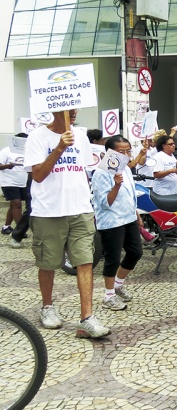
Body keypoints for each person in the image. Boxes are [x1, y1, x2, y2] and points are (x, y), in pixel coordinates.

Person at [24, 108, 110, 338]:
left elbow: (82, 171)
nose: (73, 112)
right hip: (48, 211)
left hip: (80, 209)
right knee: (48, 262)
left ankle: (87, 317)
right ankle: (47, 307)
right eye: (67, 109)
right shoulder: (37, 137)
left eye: (75, 109)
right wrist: (60, 147)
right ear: (54, 110)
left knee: (85, 261)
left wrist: (88, 202)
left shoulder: (80, 136)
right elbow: (38, 175)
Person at [91, 136, 144, 311]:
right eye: (122, 151)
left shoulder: (126, 169)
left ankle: (118, 285)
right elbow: (105, 203)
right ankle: (108, 296)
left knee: (135, 252)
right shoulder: (101, 173)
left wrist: (136, 214)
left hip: (128, 217)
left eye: (128, 150)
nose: (126, 154)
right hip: (111, 221)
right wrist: (116, 185)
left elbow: (130, 195)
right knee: (112, 258)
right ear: (110, 152)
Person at [0, 134, 28, 236]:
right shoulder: (7, 151)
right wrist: (8, 166)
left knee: (13, 205)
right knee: (17, 204)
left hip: (22, 182)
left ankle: (6, 226)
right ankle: (20, 230)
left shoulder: (27, 151)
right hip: (9, 182)